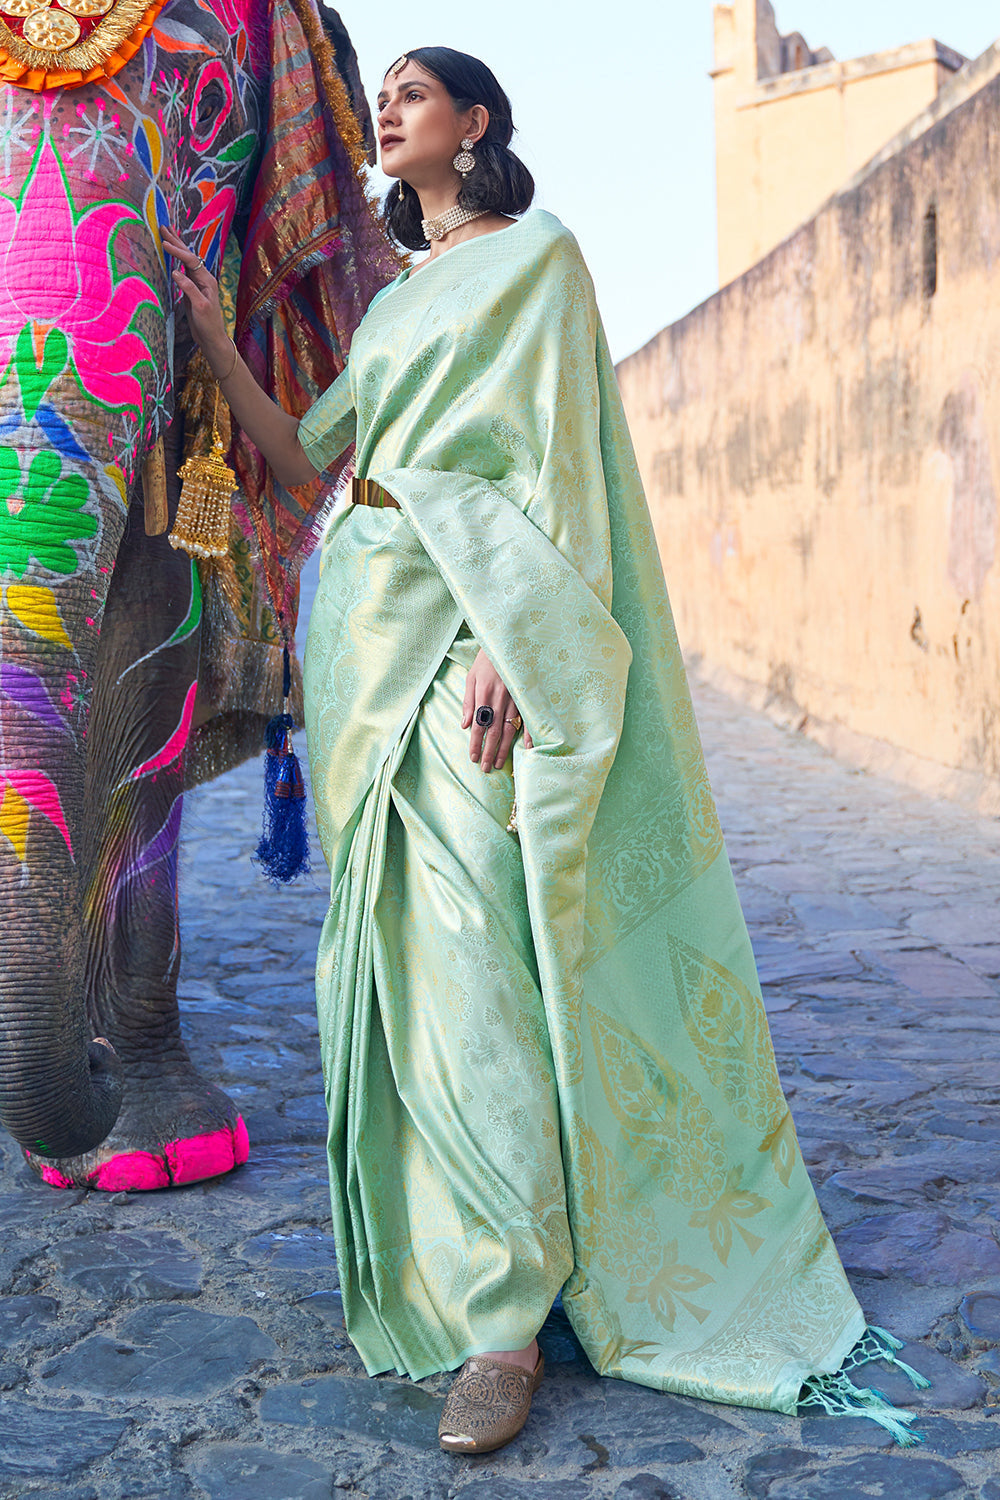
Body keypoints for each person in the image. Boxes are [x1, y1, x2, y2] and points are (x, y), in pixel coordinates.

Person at [163, 46, 926, 1457]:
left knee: (475, 960)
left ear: (477, 123)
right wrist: (212, 338)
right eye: (386, 92)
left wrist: (517, 641)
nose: (390, 108)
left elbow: (561, 465)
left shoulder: (540, 260)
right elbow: (307, 458)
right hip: (362, 630)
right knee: (397, 962)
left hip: (470, 626)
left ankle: (506, 1323)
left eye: (416, 92)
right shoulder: (399, 299)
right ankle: (462, 1266)